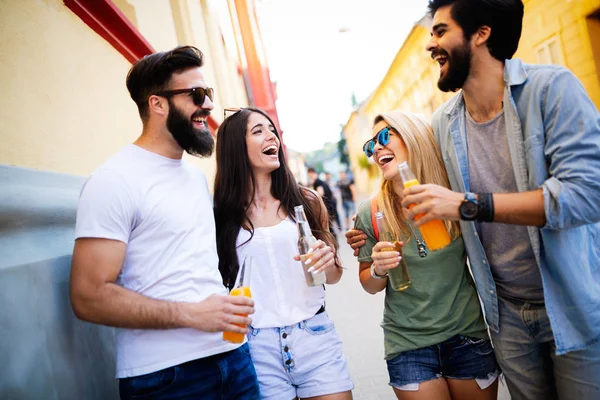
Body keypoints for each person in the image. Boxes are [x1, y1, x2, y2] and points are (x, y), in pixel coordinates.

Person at [349, 1, 600, 398]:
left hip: (574, 301)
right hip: (506, 317)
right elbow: (419, 190)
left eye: (440, 31)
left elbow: (587, 196)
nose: (431, 44)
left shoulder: (552, 89)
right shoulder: (444, 125)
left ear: (480, 33)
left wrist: (469, 204)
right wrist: (367, 234)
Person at [70, 46, 259, 400]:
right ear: (158, 104)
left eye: (209, 95)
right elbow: (87, 296)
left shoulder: (194, 177)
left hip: (234, 358)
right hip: (166, 378)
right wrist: (192, 315)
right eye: (196, 95)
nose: (207, 106)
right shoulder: (114, 180)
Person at [353, 109, 499, 400]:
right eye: (371, 146)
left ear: (413, 136)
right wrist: (379, 270)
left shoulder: (451, 194)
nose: (377, 148)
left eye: (384, 136)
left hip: (467, 334)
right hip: (408, 344)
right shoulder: (371, 211)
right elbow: (369, 284)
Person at [213, 107, 353, 400]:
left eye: (271, 129)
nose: (271, 136)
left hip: (314, 338)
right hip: (257, 347)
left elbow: (335, 274)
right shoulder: (220, 217)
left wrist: (328, 261)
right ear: (236, 147)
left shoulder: (306, 201)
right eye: (258, 131)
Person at [308, 167, 340, 234]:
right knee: (330, 226)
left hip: (327, 205)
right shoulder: (321, 181)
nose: (310, 177)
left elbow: (320, 193)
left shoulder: (317, 182)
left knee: (329, 227)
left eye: (310, 175)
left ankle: (334, 242)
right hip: (331, 203)